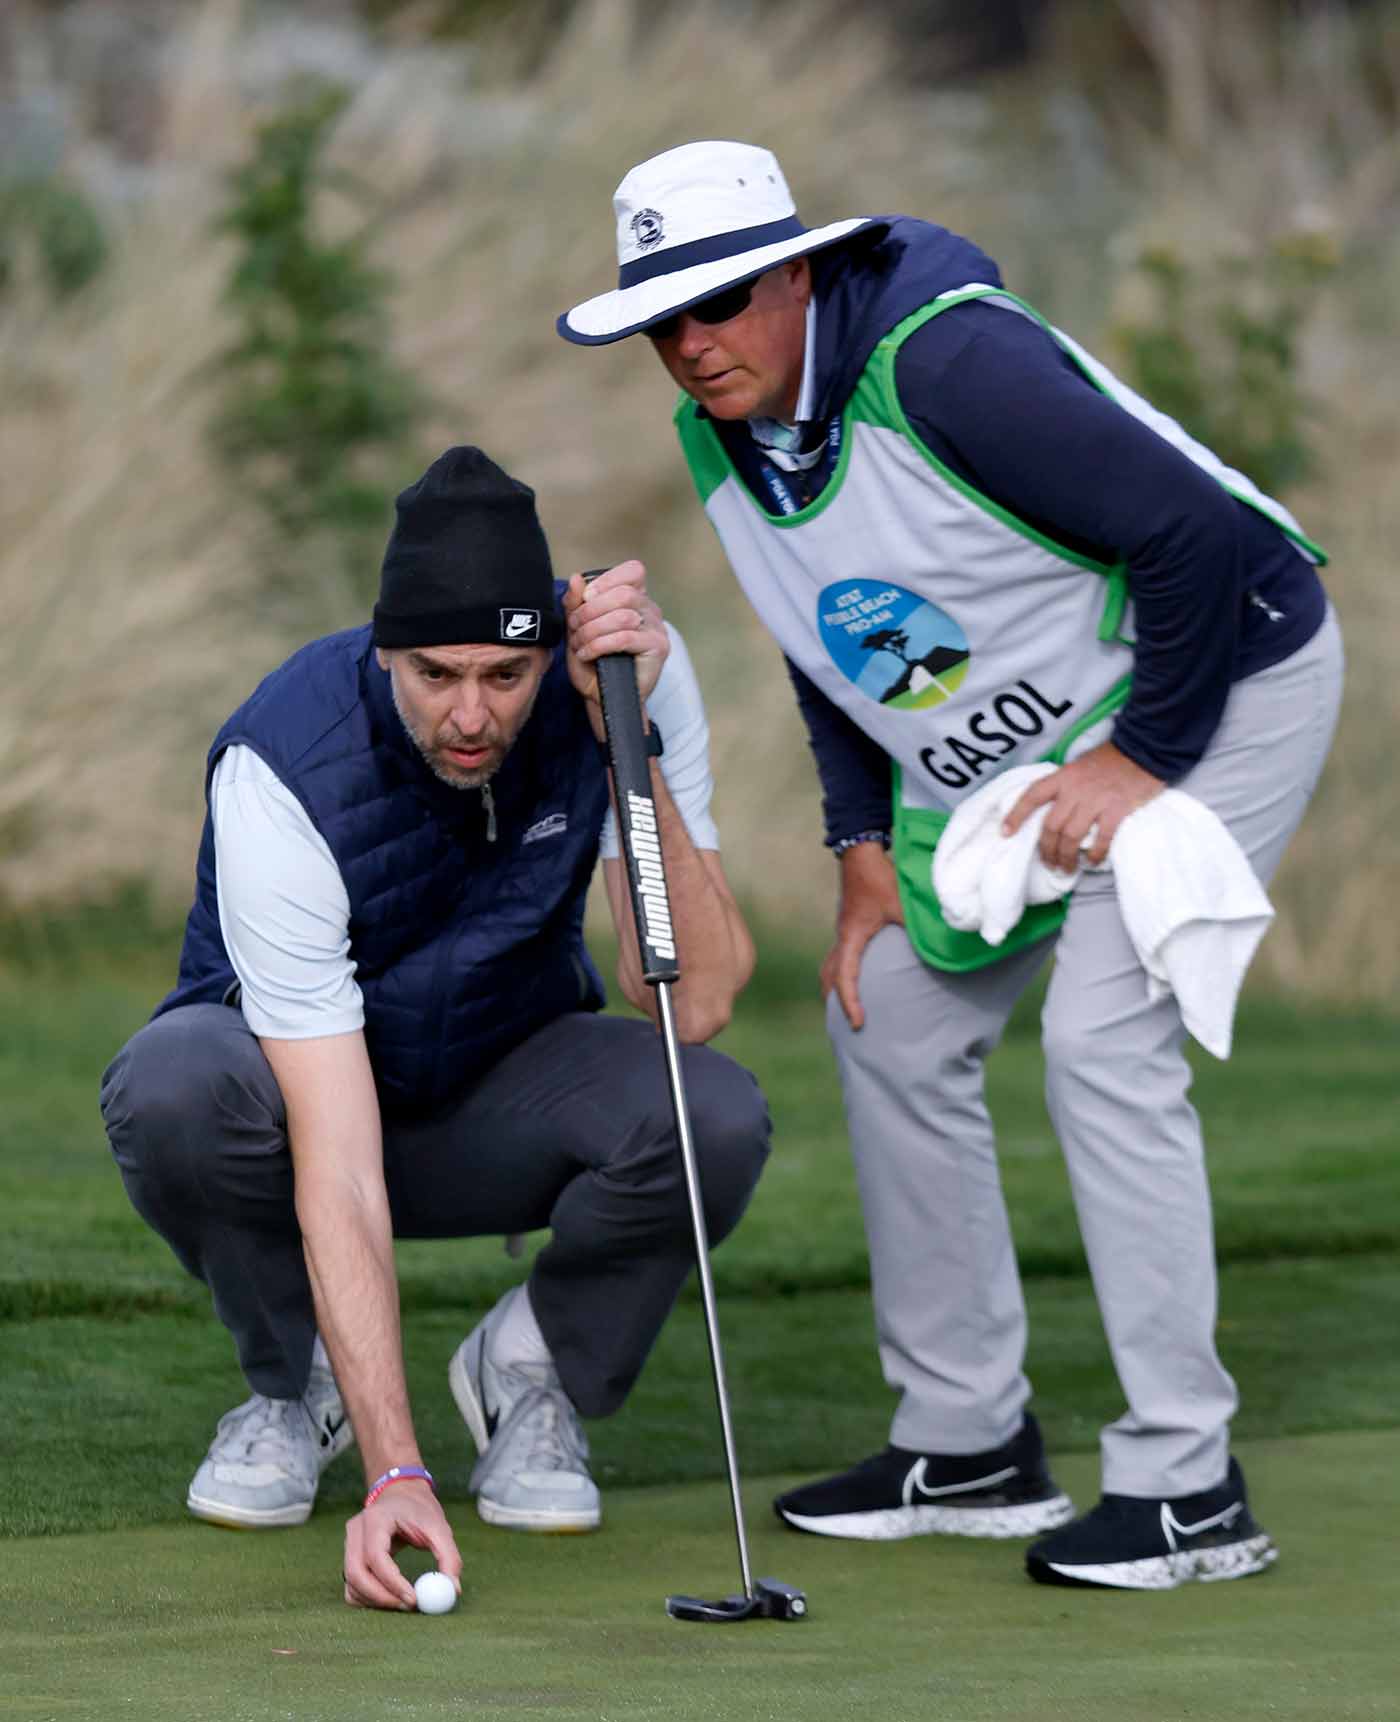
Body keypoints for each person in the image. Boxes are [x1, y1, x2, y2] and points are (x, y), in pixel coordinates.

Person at [558, 141, 1344, 1590]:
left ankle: (1189, 1485)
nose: (691, 345)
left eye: (720, 303)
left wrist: (1142, 760)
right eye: (661, 321)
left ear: (796, 271)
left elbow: (1196, 536)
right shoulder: (724, 428)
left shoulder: (947, 364)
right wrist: (861, 852)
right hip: (1033, 737)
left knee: (1105, 1040)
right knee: (897, 1013)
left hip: (1227, 671)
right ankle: (969, 1441)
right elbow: (826, 646)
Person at [100, 446, 769, 1612]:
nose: (472, 714)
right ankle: (296, 1379)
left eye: (508, 676)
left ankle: (528, 1371)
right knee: (173, 1085)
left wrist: (629, 747)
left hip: (500, 1087)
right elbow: (340, 1163)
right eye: (436, 674)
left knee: (707, 1108)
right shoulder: (280, 767)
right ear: (383, 651)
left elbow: (695, 999)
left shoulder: (618, 688)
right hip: (292, 1115)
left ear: (548, 653)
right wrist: (395, 1468)